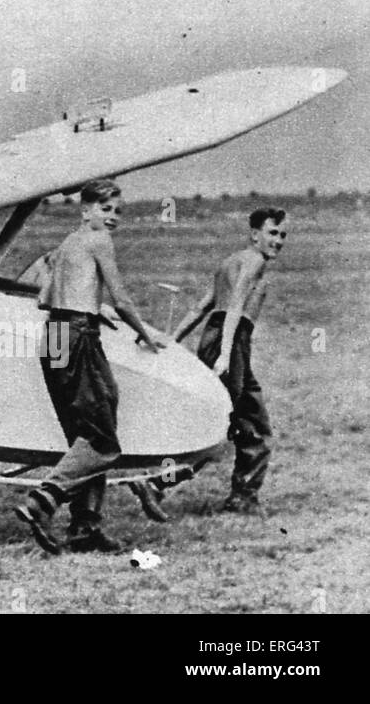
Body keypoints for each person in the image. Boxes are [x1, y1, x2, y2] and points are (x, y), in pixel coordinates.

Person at [16, 179, 164, 555]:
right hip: (80, 337)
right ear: (86, 210)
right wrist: (144, 334)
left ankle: (86, 528)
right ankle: (41, 501)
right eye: (105, 208)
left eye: (117, 211)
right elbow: (122, 295)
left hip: (54, 337)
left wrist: (92, 305)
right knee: (102, 438)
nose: (112, 217)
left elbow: (46, 299)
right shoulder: (99, 240)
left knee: (82, 436)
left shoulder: (67, 244)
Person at [130, 207, 286, 520]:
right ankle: (159, 482)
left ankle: (240, 496)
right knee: (226, 425)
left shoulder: (230, 261)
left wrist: (171, 339)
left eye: (282, 235)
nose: (278, 241)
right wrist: (227, 355)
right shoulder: (253, 261)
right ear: (254, 233)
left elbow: (201, 307)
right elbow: (235, 309)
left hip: (221, 339)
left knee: (253, 425)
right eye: (272, 233)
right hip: (230, 341)